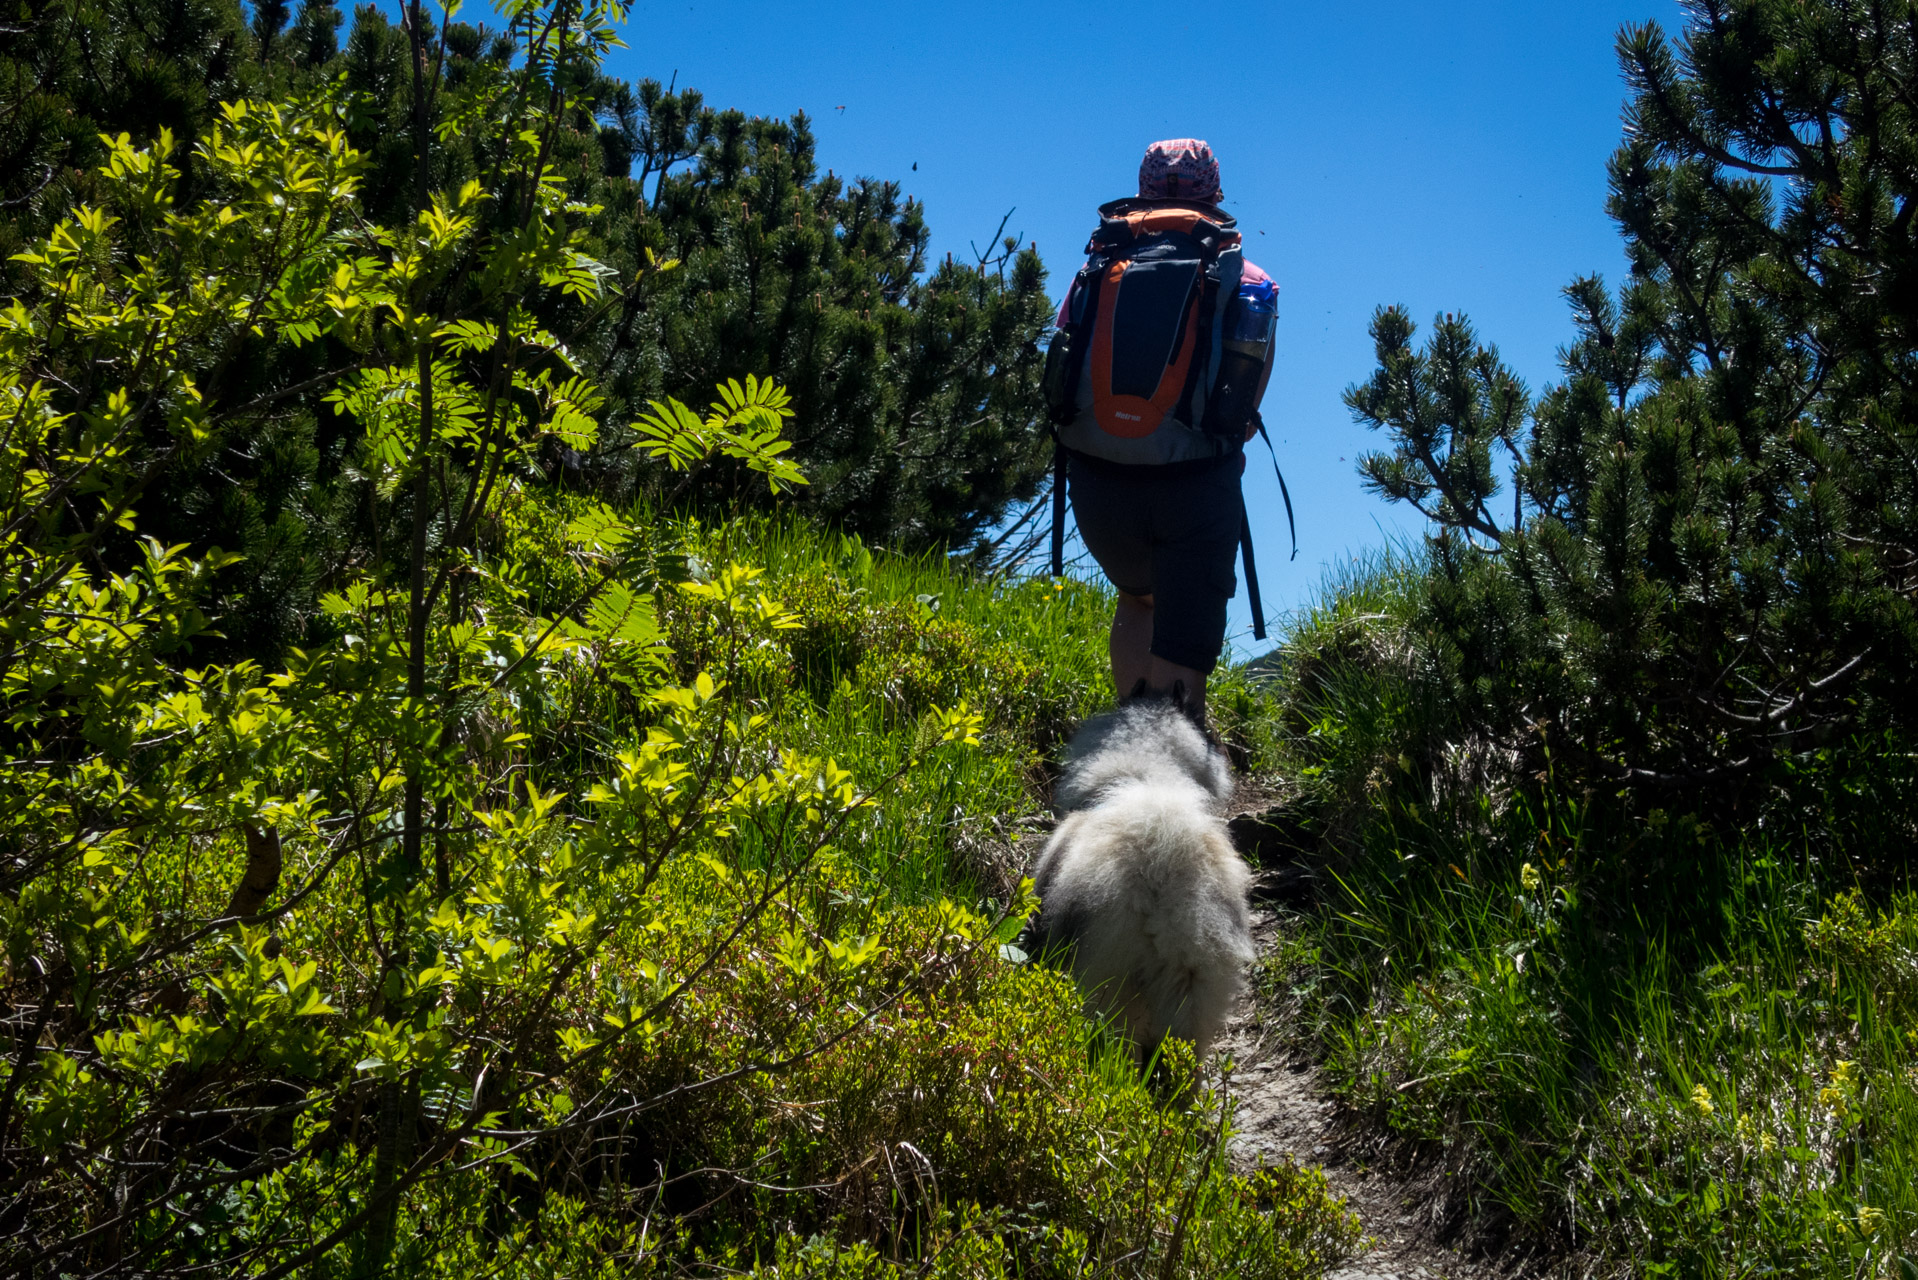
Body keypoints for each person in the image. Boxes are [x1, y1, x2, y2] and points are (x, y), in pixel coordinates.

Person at [1050, 138, 1277, 712]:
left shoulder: (1098, 267)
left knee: (1139, 602)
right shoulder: (1245, 277)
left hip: (1099, 480)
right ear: (1215, 194)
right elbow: (1245, 406)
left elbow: (1065, 366)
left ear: (1143, 190)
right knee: (1182, 640)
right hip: (1195, 483)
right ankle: (1170, 774)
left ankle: (1131, 746)